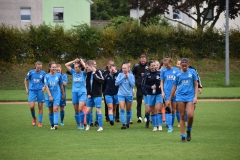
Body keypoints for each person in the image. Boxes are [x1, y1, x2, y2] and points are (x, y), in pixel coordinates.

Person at [168, 58, 198, 142]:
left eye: (186, 66)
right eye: (182, 66)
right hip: (180, 96)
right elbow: (174, 86)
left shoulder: (192, 72)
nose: (184, 67)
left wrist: (195, 97)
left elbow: (196, 85)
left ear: (188, 65)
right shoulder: (178, 74)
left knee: (190, 115)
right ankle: (183, 136)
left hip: (190, 97)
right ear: (180, 65)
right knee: (182, 116)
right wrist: (169, 99)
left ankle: (189, 129)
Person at [65, 58, 86, 130]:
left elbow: (86, 67)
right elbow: (66, 65)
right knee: (76, 110)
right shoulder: (73, 72)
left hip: (82, 92)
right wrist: (74, 61)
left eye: (77, 67)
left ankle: (82, 124)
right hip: (74, 92)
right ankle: (78, 124)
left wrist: (81, 61)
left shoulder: (83, 73)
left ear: (80, 68)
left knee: (80, 109)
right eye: (75, 67)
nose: (75, 68)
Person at [160, 58, 180, 132]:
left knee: (174, 109)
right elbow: (161, 82)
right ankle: (170, 127)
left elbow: (179, 82)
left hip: (174, 92)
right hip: (167, 92)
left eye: (167, 64)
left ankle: (170, 123)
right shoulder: (163, 71)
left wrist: (176, 90)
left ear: (171, 63)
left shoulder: (177, 71)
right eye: (165, 65)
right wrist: (162, 91)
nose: (166, 66)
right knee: (168, 108)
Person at [142, 60, 163, 131]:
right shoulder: (146, 74)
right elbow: (143, 85)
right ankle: (155, 126)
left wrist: (161, 86)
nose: (154, 67)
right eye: (152, 66)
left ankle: (160, 125)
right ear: (149, 67)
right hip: (150, 94)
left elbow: (163, 81)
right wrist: (150, 87)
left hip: (158, 93)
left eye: (154, 65)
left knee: (159, 109)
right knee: (152, 111)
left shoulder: (160, 73)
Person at [24, 61, 46, 127]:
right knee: (32, 106)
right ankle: (34, 118)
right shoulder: (31, 72)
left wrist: (44, 87)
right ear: (35, 66)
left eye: (40, 68)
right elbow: (25, 80)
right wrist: (26, 89)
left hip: (40, 91)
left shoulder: (43, 73)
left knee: (40, 106)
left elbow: (46, 81)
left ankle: (40, 122)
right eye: (38, 67)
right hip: (32, 91)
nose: (39, 69)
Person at [44, 62, 65, 130]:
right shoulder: (46, 76)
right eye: (53, 67)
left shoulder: (59, 75)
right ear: (50, 68)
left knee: (55, 109)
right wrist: (50, 96)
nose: (54, 68)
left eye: (55, 67)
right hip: (49, 95)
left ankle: (56, 124)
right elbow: (46, 87)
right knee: (50, 111)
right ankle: (52, 125)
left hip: (57, 95)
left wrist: (63, 93)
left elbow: (61, 85)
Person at [85, 60, 105, 131]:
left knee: (98, 110)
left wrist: (94, 74)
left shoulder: (98, 72)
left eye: (87, 67)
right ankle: (88, 125)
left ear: (91, 66)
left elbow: (102, 81)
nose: (86, 68)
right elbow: (87, 85)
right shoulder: (88, 73)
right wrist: (88, 94)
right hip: (90, 95)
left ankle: (100, 126)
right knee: (87, 111)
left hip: (97, 95)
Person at [115, 64, 135, 129]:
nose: (124, 69)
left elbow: (133, 84)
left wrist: (128, 77)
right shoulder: (120, 75)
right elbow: (116, 83)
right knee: (122, 109)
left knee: (128, 110)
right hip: (121, 94)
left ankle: (127, 123)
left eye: (125, 68)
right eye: (123, 68)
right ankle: (123, 124)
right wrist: (123, 77)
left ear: (128, 68)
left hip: (129, 95)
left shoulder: (131, 75)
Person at [132, 55, 148, 123]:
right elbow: (131, 74)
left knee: (147, 102)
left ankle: (146, 117)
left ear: (146, 60)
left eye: (144, 61)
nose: (143, 62)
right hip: (139, 86)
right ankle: (139, 116)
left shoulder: (148, 66)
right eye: (142, 61)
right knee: (139, 102)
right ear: (140, 60)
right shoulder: (136, 66)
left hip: (147, 87)